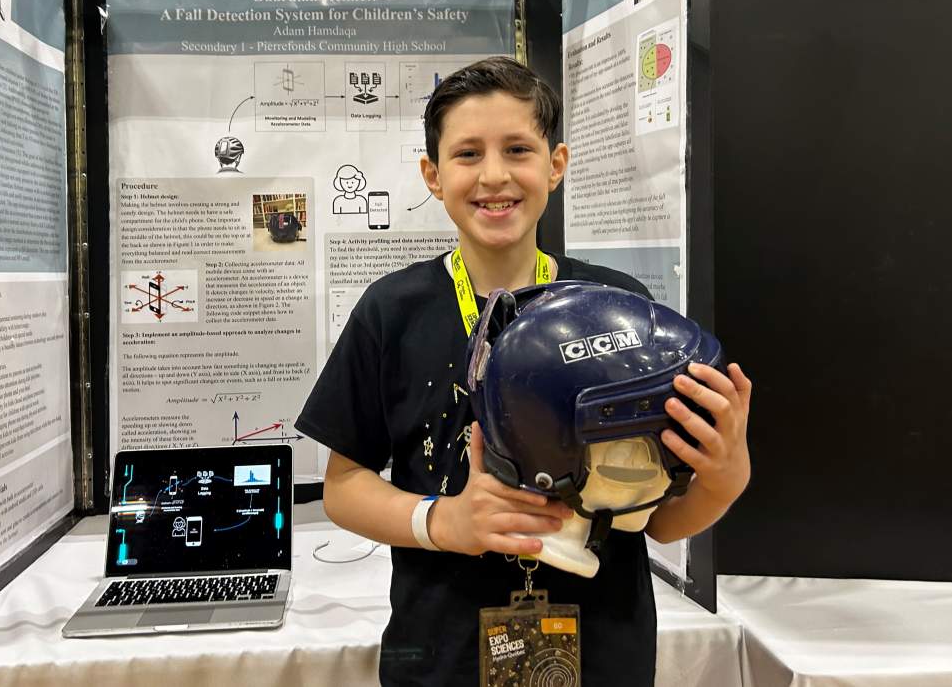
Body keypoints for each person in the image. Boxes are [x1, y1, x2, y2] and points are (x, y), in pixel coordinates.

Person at [296, 57, 752, 686]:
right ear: (432, 175)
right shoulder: (391, 311)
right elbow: (344, 488)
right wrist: (443, 521)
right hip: (441, 656)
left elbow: (659, 519)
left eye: (517, 149)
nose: (494, 175)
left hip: (603, 654)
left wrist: (725, 477)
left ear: (555, 165)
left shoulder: (618, 307)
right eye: (467, 154)